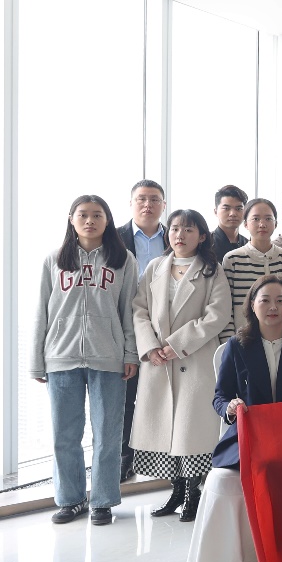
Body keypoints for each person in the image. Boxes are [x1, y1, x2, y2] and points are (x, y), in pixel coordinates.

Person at [193, 275, 282, 562]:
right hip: (249, 436)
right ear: (252, 305)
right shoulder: (237, 345)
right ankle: (272, 555)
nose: (273, 307)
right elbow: (220, 397)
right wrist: (231, 407)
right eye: (265, 300)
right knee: (269, 469)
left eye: (280, 300)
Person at [32, 196, 138, 526]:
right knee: (64, 435)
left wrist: (130, 354)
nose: (89, 220)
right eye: (83, 215)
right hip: (61, 357)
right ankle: (71, 499)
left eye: (97, 215)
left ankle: (102, 501)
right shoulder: (54, 259)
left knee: (108, 435)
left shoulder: (123, 260)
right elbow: (41, 312)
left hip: (109, 357)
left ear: (107, 220)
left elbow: (129, 310)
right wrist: (37, 361)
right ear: (71, 219)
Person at [131, 209, 232, 522]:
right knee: (166, 430)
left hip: (195, 359)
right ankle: (176, 491)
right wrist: (150, 347)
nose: (180, 235)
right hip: (158, 362)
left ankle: (193, 493)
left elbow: (218, 315)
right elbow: (139, 310)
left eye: (188, 229)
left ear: (201, 236)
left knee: (191, 431)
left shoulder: (212, 270)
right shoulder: (155, 266)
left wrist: (177, 344)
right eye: (175, 228)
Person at [118, 179, 167, 480]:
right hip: (123, 326)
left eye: (154, 199)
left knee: (160, 395)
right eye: (141, 199)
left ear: (163, 204)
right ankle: (125, 457)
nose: (148, 204)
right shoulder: (114, 238)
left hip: (163, 330)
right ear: (131, 203)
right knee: (125, 396)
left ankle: (160, 459)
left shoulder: (176, 236)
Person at [220, 199, 282, 341]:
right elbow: (225, 306)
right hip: (243, 340)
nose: (262, 224)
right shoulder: (232, 259)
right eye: (256, 219)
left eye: (268, 219)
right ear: (245, 224)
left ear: (276, 223)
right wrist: (229, 342)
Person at [210, 184, 248, 263]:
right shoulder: (206, 243)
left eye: (238, 209)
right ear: (215, 211)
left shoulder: (248, 244)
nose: (233, 214)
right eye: (226, 208)